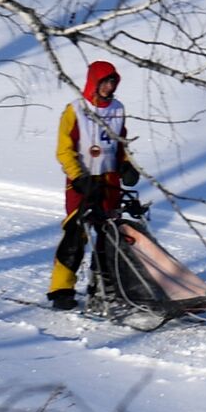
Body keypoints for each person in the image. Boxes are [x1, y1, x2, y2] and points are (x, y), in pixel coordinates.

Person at [47, 60, 140, 310]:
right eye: (104, 82)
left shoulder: (118, 109)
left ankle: (103, 287)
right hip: (82, 182)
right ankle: (61, 289)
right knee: (75, 235)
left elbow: (120, 145)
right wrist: (78, 177)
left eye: (112, 82)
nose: (109, 87)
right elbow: (64, 150)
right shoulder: (75, 110)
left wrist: (127, 166)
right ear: (93, 82)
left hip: (109, 181)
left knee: (108, 236)